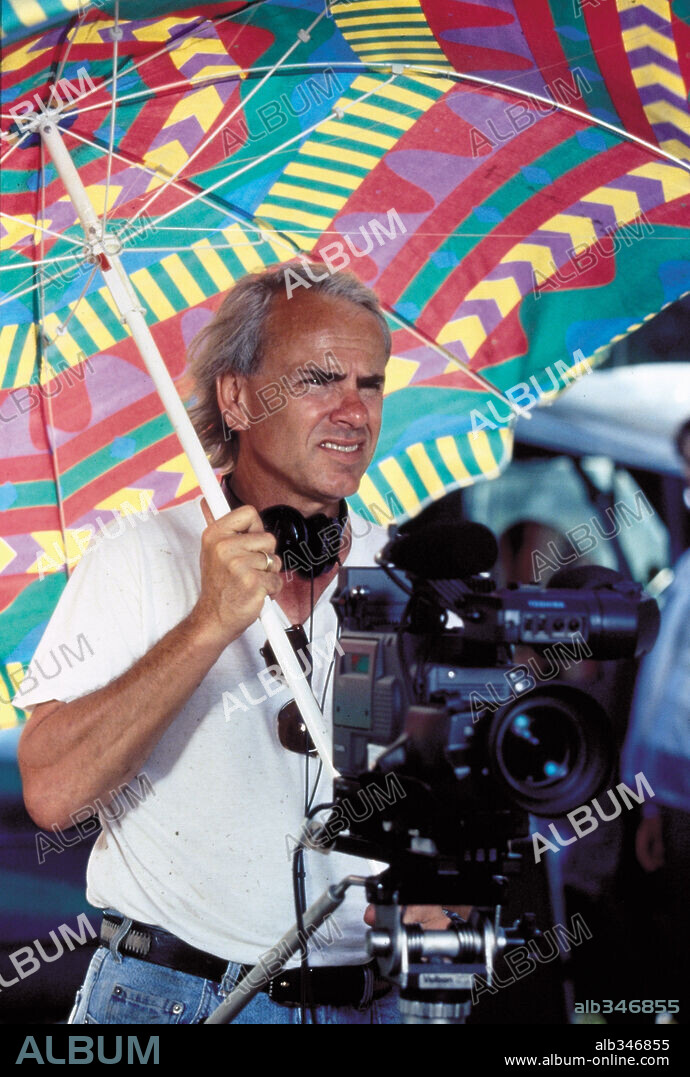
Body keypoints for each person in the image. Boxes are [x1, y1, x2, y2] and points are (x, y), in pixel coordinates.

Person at [14, 265, 450, 1025]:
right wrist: (208, 622)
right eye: (320, 379)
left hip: (369, 1004)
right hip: (173, 998)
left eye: (371, 384)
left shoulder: (407, 574)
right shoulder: (140, 555)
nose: (354, 412)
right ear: (238, 396)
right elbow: (53, 792)